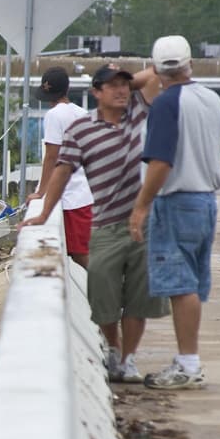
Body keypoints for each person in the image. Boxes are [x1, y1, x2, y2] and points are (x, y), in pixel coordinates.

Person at [37, 63, 164, 383]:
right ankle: (112, 346)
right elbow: (62, 171)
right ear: (96, 92)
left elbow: (157, 72)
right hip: (103, 220)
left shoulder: (136, 113)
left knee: (137, 298)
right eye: (112, 86)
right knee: (103, 293)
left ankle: (128, 359)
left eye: (125, 85)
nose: (122, 90)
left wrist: (124, 81)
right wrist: (42, 211)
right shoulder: (83, 128)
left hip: (141, 221)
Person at [130, 35, 220, 390]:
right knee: (190, 281)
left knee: (181, 285)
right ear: (190, 63)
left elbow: (161, 161)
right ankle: (187, 358)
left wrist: (142, 205)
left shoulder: (165, 103)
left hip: (176, 201)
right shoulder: (212, 100)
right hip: (206, 200)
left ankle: (189, 364)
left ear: (157, 69)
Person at [20, 66, 93, 268]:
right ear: (67, 90)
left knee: (81, 254)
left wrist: (41, 191)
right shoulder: (82, 113)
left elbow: (51, 156)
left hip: (71, 196)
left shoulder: (54, 115)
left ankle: (116, 292)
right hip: (87, 191)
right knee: (83, 252)